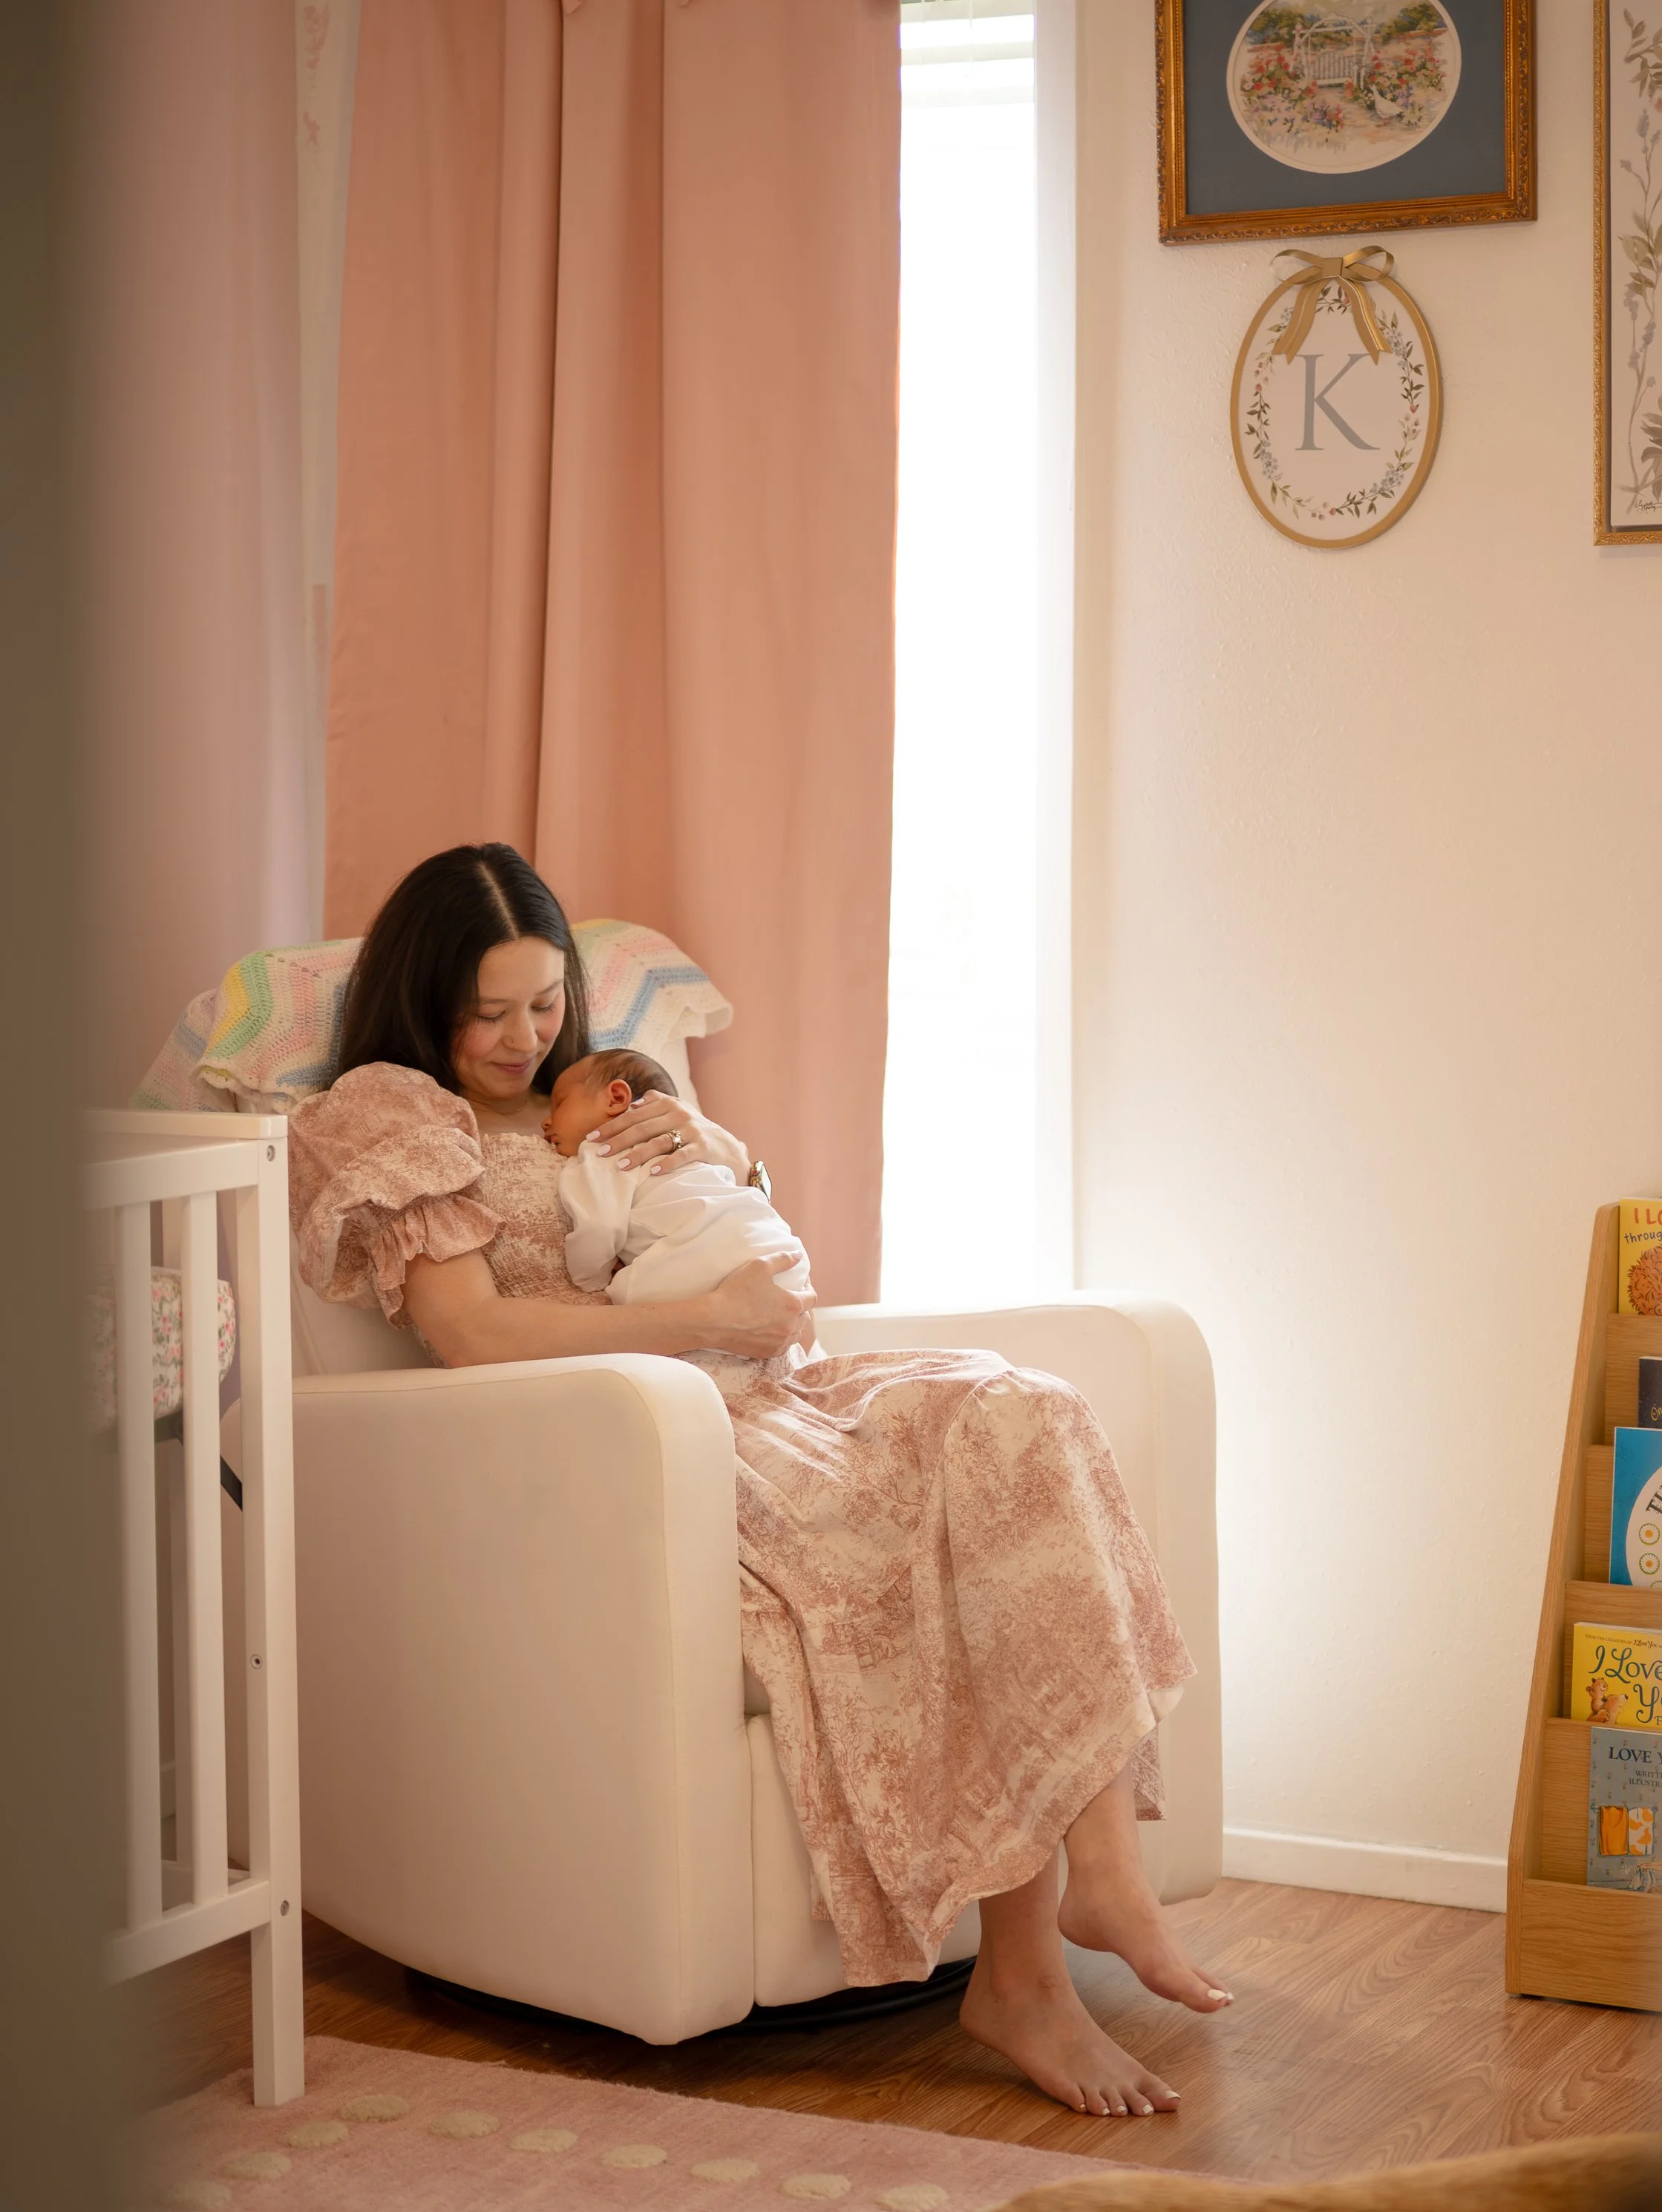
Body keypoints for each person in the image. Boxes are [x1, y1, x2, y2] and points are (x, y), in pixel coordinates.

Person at [289, 844, 1230, 2118]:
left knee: (1021, 1417)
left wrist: (720, 1157)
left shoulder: (603, 1092)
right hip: (605, 1442)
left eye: (548, 1001)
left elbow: (724, 1242)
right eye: (490, 1010)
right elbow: (470, 1333)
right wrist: (712, 1319)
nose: (524, 1038)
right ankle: (1034, 1974)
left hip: (759, 1392)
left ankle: (1087, 1884)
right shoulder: (393, 1112)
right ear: (424, 994)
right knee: (926, 1533)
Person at [546, 1046, 812, 1377]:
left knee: (630, 1292)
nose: (546, 1122)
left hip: (704, 1257)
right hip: (779, 1250)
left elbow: (598, 1228)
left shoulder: (602, 1152)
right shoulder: (694, 1149)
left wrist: (591, 1278)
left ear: (616, 1098)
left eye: (559, 1104)